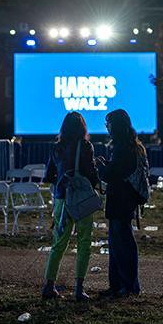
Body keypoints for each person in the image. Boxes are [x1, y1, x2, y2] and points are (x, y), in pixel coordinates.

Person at [42, 111, 100, 301]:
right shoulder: (86, 146)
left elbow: (49, 175)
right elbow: (91, 174)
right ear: (82, 127)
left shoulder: (56, 147)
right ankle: (79, 288)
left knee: (58, 243)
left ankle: (49, 285)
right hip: (82, 199)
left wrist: (62, 180)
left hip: (62, 198)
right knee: (84, 242)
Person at [96, 108, 145, 298]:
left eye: (108, 124)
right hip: (126, 200)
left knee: (121, 245)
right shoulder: (130, 146)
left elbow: (114, 174)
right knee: (118, 244)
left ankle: (127, 286)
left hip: (120, 201)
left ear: (115, 126)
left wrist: (102, 168)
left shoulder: (122, 148)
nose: (107, 128)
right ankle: (118, 285)